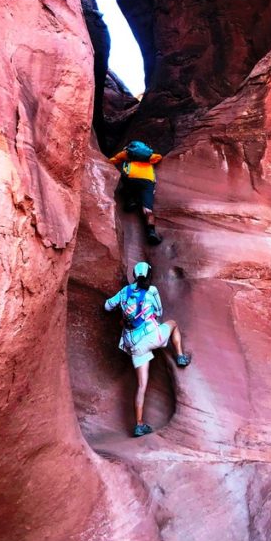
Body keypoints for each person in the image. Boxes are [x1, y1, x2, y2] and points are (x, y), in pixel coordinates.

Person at [104, 261, 192, 437]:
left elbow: (107, 306)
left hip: (134, 344)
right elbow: (159, 312)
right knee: (173, 324)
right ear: (149, 275)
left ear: (135, 276)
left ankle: (139, 424)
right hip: (152, 336)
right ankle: (180, 357)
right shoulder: (151, 291)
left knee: (142, 385)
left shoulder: (124, 292)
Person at [108, 140, 164, 245]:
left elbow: (114, 160)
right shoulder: (150, 156)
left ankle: (130, 201)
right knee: (148, 209)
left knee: (125, 184)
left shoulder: (126, 154)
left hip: (131, 177)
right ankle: (151, 232)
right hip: (147, 180)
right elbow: (159, 158)